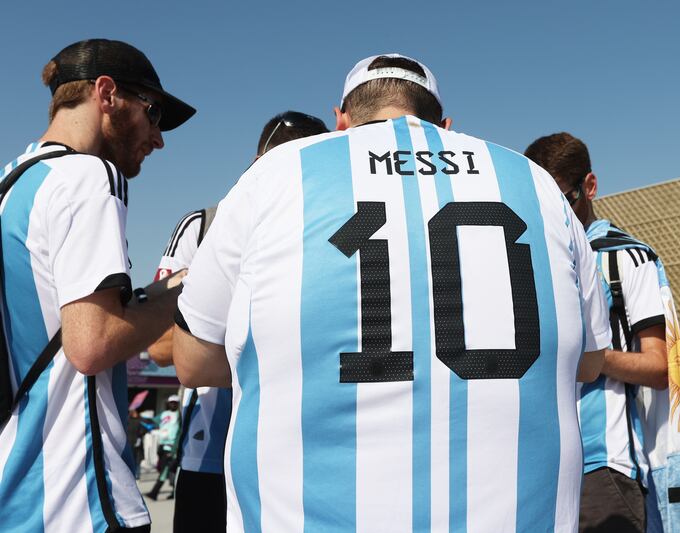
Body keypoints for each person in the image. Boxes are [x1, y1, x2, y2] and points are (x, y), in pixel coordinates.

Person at [171, 53, 610, 532]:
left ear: (341, 119)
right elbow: (588, 363)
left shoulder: (277, 173)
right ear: (445, 124)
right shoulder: (536, 183)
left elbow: (193, 361)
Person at [0, 39, 194, 532]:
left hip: (16, 492)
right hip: (79, 499)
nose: (158, 138)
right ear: (106, 94)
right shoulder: (89, 176)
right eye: (152, 115)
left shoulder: (12, 185)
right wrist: (187, 287)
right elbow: (92, 343)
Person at [146, 111, 329, 532]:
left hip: (300, 457)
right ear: (256, 163)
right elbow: (160, 349)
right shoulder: (205, 225)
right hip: (211, 454)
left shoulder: (327, 227)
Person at [526, 133, 669, 532]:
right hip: (534, 464)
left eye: (563, 200)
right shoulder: (526, 256)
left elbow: (659, 367)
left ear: (589, 186)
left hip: (602, 466)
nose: (554, 215)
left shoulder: (627, 256)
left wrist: (586, 353)